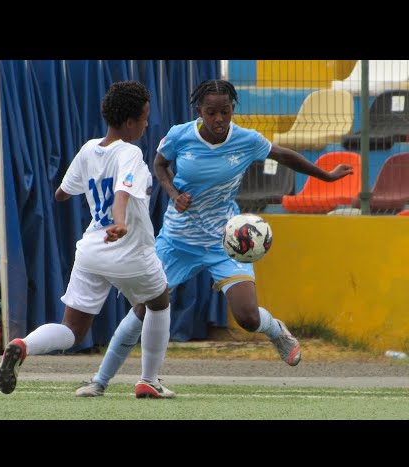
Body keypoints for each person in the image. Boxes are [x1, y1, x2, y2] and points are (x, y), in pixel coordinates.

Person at [75, 79, 355, 397]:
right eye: (212, 113)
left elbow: (285, 156)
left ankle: (276, 332)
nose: (219, 119)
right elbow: (159, 165)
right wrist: (173, 193)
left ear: (233, 110)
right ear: (200, 112)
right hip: (177, 240)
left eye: (225, 112)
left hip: (225, 241)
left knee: (248, 317)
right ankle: (99, 381)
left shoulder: (245, 140)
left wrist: (326, 175)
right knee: (142, 310)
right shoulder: (181, 135)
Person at [0, 80, 176, 399]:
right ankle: (149, 379)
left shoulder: (89, 149)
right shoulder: (130, 152)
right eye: (145, 118)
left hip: (91, 252)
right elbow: (122, 190)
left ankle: (23, 345)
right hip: (129, 249)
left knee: (73, 331)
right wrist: (120, 221)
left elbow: (62, 192)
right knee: (159, 302)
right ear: (130, 123)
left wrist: (72, 192)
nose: (148, 124)